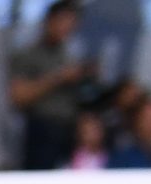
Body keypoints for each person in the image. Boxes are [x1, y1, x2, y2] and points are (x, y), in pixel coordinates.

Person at [9, 0, 97, 169]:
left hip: (70, 131)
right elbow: (18, 96)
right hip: (42, 131)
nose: (66, 28)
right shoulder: (29, 55)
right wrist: (59, 78)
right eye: (62, 21)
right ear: (49, 21)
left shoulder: (71, 55)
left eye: (71, 23)